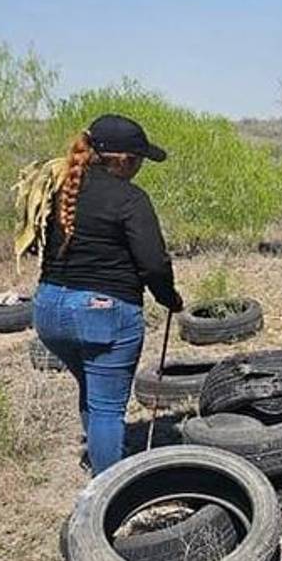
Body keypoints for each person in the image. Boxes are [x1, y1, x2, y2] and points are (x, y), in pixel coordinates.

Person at [30, 115, 183, 475]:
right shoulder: (130, 198)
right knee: (108, 408)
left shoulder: (60, 188)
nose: (141, 166)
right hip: (102, 313)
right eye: (140, 159)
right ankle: (108, 493)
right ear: (124, 159)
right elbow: (153, 263)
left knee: (93, 387)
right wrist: (169, 298)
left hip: (49, 309)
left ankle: (104, 453)